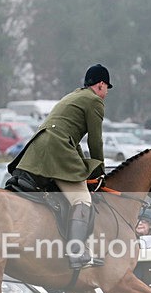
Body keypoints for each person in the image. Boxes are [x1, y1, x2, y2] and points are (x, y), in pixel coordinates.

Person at [8, 63, 112, 268]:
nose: (106, 93)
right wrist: (100, 171)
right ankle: (76, 251)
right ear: (100, 85)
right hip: (57, 150)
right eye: (107, 88)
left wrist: (84, 166)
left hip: (38, 149)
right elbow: (95, 141)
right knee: (82, 198)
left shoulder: (73, 96)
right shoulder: (94, 102)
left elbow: (72, 139)